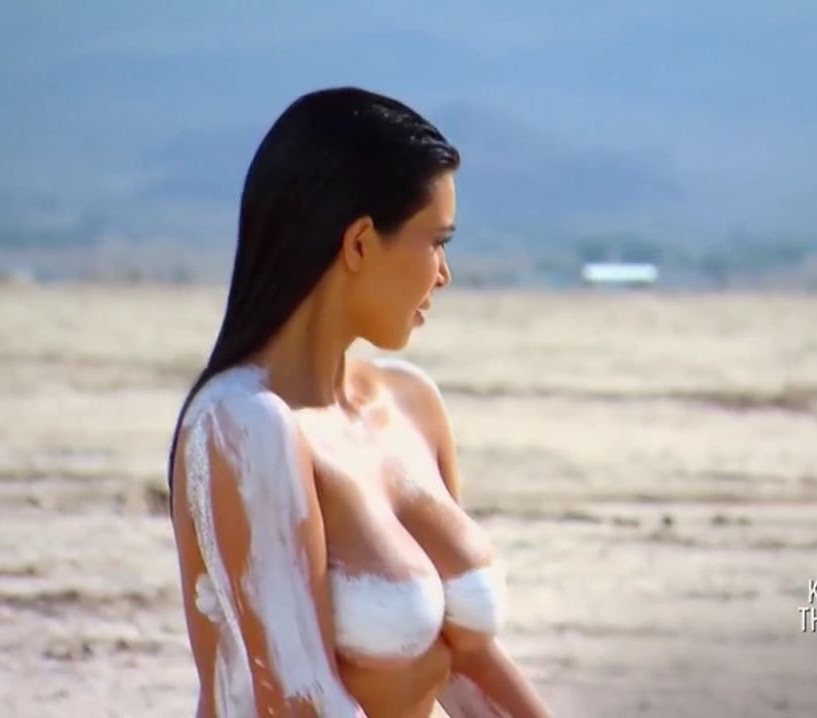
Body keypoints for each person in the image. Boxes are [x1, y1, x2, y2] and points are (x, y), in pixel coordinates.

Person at [166, 87, 552, 718]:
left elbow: (469, 662)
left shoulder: (412, 404)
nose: (444, 274)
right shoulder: (242, 425)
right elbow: (296, 700)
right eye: (436, 242)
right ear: (361, 243)